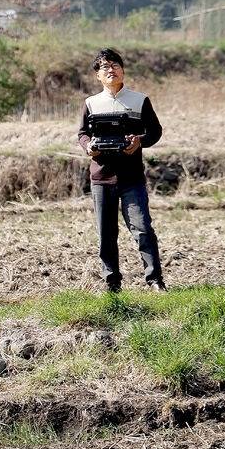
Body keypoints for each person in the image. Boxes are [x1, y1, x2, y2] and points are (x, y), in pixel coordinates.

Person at [78, 47, 166, 292]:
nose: (111, 70)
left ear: (123, 70)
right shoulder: (91, 103)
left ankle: (155, 281)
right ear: (97, 75)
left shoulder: (139, 100)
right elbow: (82, 134)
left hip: (131, 177)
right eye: (105, 67)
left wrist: (139, 141)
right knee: (106, 234)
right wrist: (89, 148)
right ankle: (112, 283)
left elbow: (155, 131)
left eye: (115, 65)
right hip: (101, 177)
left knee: (143, 229)